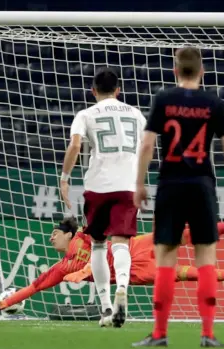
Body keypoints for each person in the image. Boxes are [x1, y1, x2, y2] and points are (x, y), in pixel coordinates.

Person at [132, 47, 224, 347]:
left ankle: (159, 334)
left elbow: (146, 146)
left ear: (174, 71)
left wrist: (139, 184)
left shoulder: (163, 99)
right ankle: (208, 334)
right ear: (202, 72)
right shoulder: (213, 102)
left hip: (170, 184)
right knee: (206, 258)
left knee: (166, 259)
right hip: (201, 184)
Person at [0, 215, 224, 321]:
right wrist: (1, 304)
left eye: (54, 233)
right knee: (184, 273)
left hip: (130, 250)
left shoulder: (84, 234)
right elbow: (33, 288)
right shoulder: (61, 268)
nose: (50, 238)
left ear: (68, 234)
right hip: (132, 273)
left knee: (180, 235)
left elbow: (96, 221)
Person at [59, 67, 147, 327]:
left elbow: (75, 145)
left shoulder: (86, 114)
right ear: (118, 90)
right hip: (128, 185)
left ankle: (107, 307)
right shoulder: (137, 114)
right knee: (121, 242)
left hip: (98, 186)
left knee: (98, 243)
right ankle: (122, 286)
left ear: (93, 91)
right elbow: (146, 149)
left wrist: (64, 178)